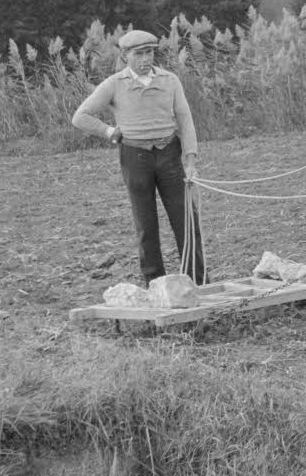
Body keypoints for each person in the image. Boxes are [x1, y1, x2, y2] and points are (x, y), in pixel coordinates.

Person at [72, 29, 206, 285]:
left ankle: (197, 281)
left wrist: (190, 161)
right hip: (135, 158)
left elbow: (185, 120)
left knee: (186, 219)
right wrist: (110, 131)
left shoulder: (170, 80)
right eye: (139, 54)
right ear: (125, 56)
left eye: (150, 53)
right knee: (146, 226)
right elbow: (80, 117)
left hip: (169, 154)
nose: (146, 59)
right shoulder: (114, 84)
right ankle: (156, 284)